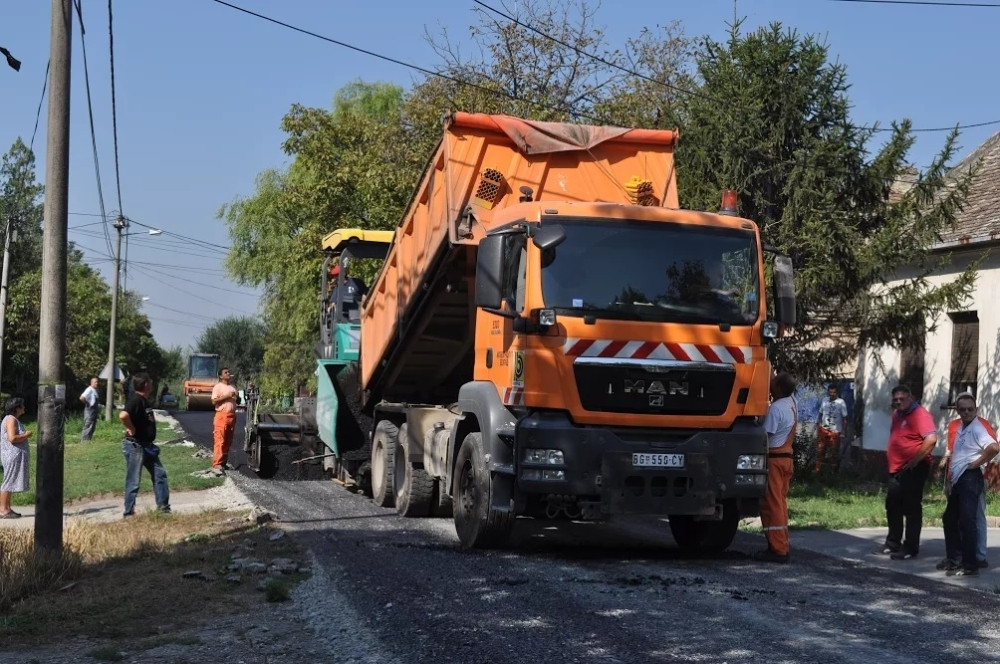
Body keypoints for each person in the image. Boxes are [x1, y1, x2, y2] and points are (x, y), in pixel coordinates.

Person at [937, 393, 998, 575]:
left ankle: (970, 564)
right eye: (962, 409)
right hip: (959, 478)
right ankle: (955, 559)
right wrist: (950, 479)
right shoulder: (962, 428)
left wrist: (976, 464)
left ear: (976, 409)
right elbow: (957, 455)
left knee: (967, 520)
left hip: (970, 477)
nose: (966, 412)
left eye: (970, 409)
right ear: (957, 410)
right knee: (950, 518)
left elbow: (994, 447)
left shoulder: (978, 427)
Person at [879, 384, 937, 560]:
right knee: (893, 505)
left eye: (902, 398)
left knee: (911, 508)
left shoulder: (920, 414)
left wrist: (915, 460)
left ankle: (911, 548)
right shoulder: (897, 414)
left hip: (914, 469)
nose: (898, 402)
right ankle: (893, 543)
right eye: (895, 399)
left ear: (910, 397)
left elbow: (931, 438)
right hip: (896, 469)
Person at [755, 372, 798, 563]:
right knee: (780, 503)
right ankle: (781, 545)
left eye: (773, 382)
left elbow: (764, 435)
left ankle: (778, 549)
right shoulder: (792, 402)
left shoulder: (776, 408)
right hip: (787, 459)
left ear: (779, 388)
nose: (769, 383)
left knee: (772, 504)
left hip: (774, 459)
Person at [119, 372, 170, 517]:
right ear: (146, 384)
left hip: (147, 446)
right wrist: (131, 428)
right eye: (151, 382)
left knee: (160, 474)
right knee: (133, 480)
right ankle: (129, 513)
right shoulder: (136, 400)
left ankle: (163, 509)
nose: (152, 385)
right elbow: (123, 415)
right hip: (136, 446)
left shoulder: (144, 400)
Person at [0, 397, 32, 518]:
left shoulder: (11, 419)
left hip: (13, 456)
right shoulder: (11, 419)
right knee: (8, 481)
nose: (24, 407)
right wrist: (26, 434)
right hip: (11, 455)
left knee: (10, 482)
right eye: (22, 405)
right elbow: (12, 438)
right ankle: (3, 509)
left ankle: (7, 508)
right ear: (17, 407)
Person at [210, 367, 239, 476]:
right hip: (221, 416)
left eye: (229, 372)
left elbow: (238, 400)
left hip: (232, 416)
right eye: (226, 372)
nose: (228, 373)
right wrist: (226, 396)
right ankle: (217, 464)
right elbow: (214, 401)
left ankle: (223, 463)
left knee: (228, 441)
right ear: (221, 376)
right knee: (220, 440)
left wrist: (237, 397)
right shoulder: (218, 387)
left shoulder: (233, 387)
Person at [815, 384, 848, 473]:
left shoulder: (841, 402)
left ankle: (832, 472)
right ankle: (818, 470)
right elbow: (820, 413)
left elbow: (845, 418)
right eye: (830, 392)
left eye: (834, 392)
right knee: (820, 450)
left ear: (837, 393)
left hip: (835, 431)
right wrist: (819, 425)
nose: (832, 394)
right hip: (824, 430)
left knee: (833, 452)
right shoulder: (824, 400)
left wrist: (843, 432)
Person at [79, 375, 100, 442]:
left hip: (94, 411)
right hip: (90, 411)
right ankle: (84, 441)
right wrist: (87, 403)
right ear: (92, 383)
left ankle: (88, 440)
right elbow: (82, 397)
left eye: (97, 382)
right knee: (88, 425)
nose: (97, 383)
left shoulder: (94, 390)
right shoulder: (89, 389)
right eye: (95, 382)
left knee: (92, 426)